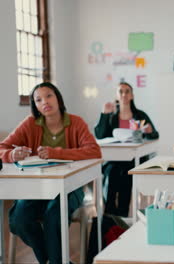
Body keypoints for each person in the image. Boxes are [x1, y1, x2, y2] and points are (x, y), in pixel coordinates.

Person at [0, 82, 101, 264]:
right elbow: (2, 147)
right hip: (36, 188)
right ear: (35, 106)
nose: (44, 102)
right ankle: (55, 261)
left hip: (71, 188)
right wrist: (11, 154)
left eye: (49, 96)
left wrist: (57, 153)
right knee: (18, 219)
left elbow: (94, 151)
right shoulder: (30, 123)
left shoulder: (76, 122)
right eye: (38, 99)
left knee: (54, 214)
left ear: (58, 98)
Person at [94, 81, 159, 216]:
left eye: (127, 91)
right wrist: (104, 115)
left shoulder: (140, 115)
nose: (124, 94)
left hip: (135, 161)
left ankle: (121, 215)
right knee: (111, 173)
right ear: (117, 95)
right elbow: (100, 135)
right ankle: (110, 215)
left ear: (132, 95)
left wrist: (148, 131)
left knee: (127, 175)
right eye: (120, 91)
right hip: (114, 161)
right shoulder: (111, 116)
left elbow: (154, 134)